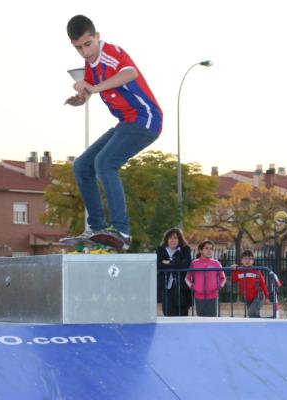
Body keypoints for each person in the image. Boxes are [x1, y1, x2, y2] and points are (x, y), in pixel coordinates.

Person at [62, 15, 162, 250]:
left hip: (145, 118)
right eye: (78, 48)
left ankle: (122, 231)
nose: (85, 52)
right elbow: (88, 90)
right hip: (126, 121)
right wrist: (80, 98)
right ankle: (96, 228)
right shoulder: (90, 65)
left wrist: (94, 88)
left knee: (105, 163)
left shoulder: (111, 52)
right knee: (82, 165)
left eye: (88, 44)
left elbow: (130, 74)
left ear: (97, 37)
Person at [156, 228, 192, 316]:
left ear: (179, 239)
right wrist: (176, 263)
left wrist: (168, 262)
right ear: (166, 240)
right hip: (166, 287)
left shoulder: (185, 249)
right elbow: (158, 265)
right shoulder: (160, 250)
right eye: (170, 238)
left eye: (175, 238)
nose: (173, 240)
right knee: (168, 314)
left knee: (182, 315)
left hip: (182, 288)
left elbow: (186, 265)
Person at [185, 240, 226, 317]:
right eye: (206, 248)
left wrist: (218, 287)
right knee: (201, 319)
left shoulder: (216, 263)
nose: (209, 250)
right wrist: (193, 287)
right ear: (200, 250)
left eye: (211, 248)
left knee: (212, 319)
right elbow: (187, 278)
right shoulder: (194, 263)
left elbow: (223, 278)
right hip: (198, 296)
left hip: (213, 296)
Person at [231, 250, 269, 318]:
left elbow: (263, 284)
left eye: (250, 258)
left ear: (253, 261)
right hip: (248, 297)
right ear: (241, 260)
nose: (247, 261)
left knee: (251, 313)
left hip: (258, 296)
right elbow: (233, 280)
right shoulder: (239, 271)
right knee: (253, 315)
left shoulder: (256, 270)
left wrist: (267, 297)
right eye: (245, 258)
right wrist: (233, 270)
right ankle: (260, 327)